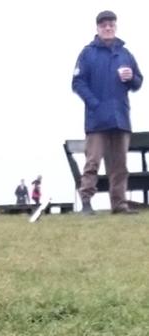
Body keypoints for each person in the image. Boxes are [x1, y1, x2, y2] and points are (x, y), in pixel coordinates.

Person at [72, 10, 143, 213]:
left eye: (111, 24)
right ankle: (86, 202)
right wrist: (95, 104)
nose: (108, 27)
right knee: (92, 162)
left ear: (115, 26)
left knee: (119, 166)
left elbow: (138, 81)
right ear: (98, 28)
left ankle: (119, 204)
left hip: (120, 119)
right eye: (104, 25)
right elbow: (78, 82)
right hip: (96, 121)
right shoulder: (88, 53)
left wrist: (131, 78)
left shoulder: (125, 53)